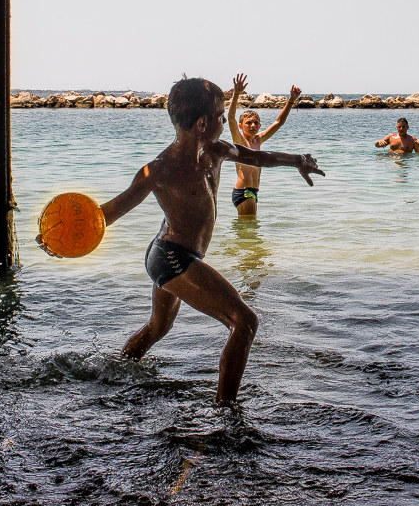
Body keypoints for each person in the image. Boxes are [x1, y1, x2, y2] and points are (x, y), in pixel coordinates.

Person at [100, 76, 323, 403]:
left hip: (174, 255)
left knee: (158, 328)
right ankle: (226, 412)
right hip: (171, 257)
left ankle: (112, 375)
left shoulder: (217, 150)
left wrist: (297, 160)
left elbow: (258, 157)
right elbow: (109, 213)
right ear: (202, 124)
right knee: (244, 322)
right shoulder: (158, 170)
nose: (224, 121)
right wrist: (63, 238)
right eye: (221, 118)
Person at [226, 73, 301, 216]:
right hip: (244, 192)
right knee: (249, 232)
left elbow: (278, 122)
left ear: (260, 125)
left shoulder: (258, 140)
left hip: (253, 192)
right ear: (241, 126)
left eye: (255, 123)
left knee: (248, 232)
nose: (252, 125)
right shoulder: (240, 141)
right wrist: (236, 93)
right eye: (248, 123)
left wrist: (291, 100)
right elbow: (231, 119)